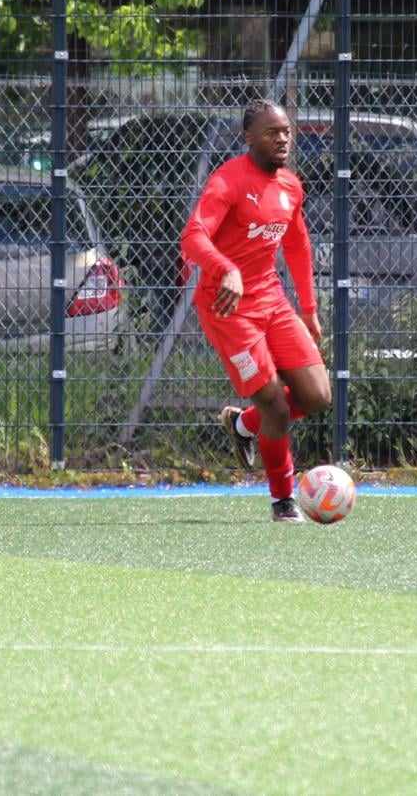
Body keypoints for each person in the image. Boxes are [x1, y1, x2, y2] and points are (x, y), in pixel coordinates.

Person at [181, 100, 331, 521]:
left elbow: (298, 245)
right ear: (249, 138)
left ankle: (244, 424)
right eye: (271, 132)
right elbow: (192, 236)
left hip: (272, 301)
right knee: (276, 407)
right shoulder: (227, 181)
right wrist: (225, 268)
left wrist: (309, 308)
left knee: (317, 395)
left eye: (286, 131)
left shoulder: (291, 187)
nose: (282, 139)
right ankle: (283, 500)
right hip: (228, 309)